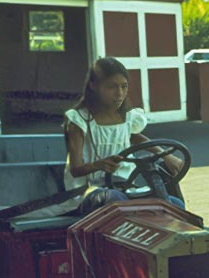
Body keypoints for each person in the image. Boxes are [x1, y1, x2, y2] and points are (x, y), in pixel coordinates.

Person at [63, 57, 184, 215]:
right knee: (117, 200)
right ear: (93, 86)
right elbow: (75, 169)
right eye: (111, 87)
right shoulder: (78, 120)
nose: (119, 94)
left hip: (125, 186)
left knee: (174, 204)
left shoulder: (127, 117)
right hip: (88, 192)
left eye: (124, 87)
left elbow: (136, 138)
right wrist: (99, 165)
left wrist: (166, 156)